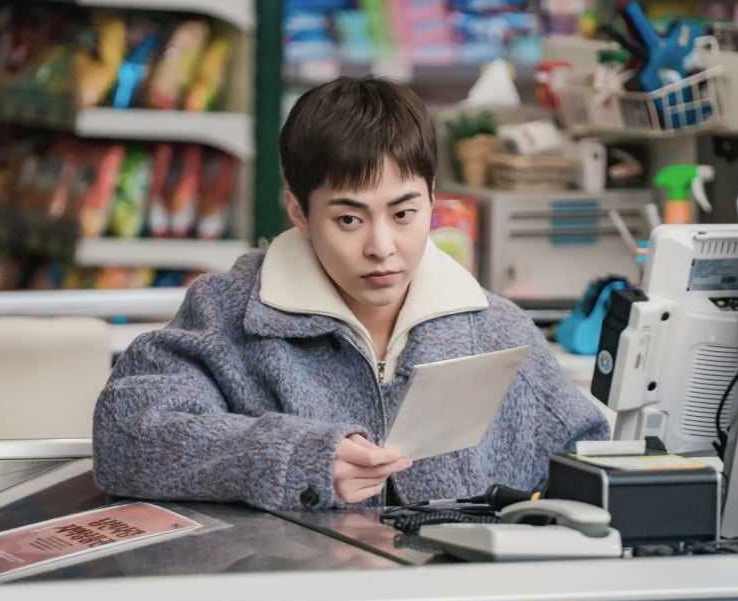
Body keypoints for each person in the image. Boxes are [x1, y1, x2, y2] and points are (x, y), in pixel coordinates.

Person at [92, 77, 608, 511]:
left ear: (433, 198)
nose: (381, 247)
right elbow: (127, 435)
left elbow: (591, 460)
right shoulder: (228, 314)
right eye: (347, 219)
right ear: (299, 213)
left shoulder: (495, 328)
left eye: (404, 213)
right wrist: (296, 457)